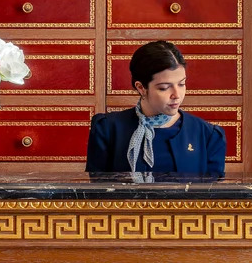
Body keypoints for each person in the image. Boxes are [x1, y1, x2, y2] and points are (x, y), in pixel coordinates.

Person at [85, 40, 226, 176]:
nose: (177, 95)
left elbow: (211, 197)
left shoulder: (208, 135)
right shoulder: (108, 130)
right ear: (141, 88)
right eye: (164, 88)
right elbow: (97, 193)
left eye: (182, 84)